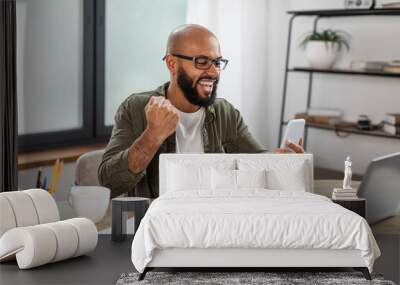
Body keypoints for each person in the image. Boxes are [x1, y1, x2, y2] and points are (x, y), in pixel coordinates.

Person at [98, 24, 304, 198]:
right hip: (157, 226)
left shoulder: (226, 113)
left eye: (216, 62)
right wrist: (152, 136)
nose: (214, 71)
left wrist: (281, 161)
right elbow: (109, 183)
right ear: (172, 63)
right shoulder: (136, 108)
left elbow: (258, 162)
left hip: (213, 224)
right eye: (202, 62)